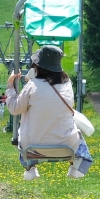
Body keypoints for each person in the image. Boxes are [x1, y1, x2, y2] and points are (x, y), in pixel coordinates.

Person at [6, 45, 92, 181]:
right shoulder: (67, 84)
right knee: (78, 134)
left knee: (24, 127)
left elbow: (14, 108)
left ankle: (30, 168)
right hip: (67, 145)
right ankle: (75, 167)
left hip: (34, 147)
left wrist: (10, 85)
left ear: (37, 66)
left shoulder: (32, 86)